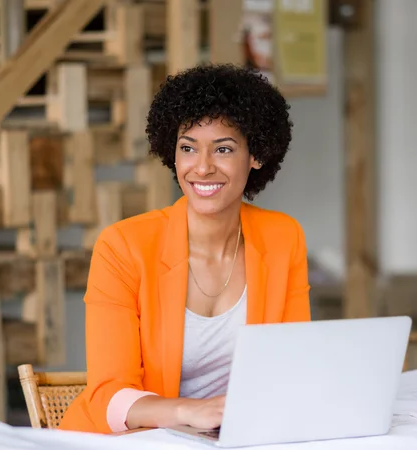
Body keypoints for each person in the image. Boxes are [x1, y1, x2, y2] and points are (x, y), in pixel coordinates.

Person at [58, 64, 311, 434]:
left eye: (223, 149)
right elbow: (108, 395)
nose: (202, 168)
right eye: (188, 148)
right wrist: (190, 412)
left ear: (256, 155)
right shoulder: (123, 246)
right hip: (134, 442)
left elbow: (293, 366)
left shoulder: (283, 237)